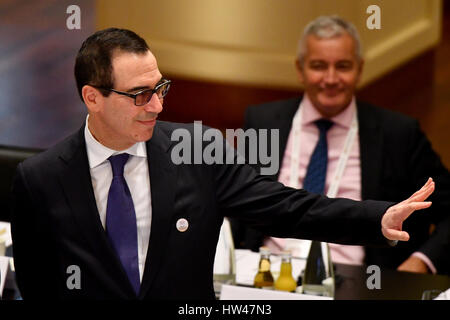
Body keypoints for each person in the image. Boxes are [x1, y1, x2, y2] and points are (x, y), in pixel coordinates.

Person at [10, 27, 435, 300]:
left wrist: (376, 218)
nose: (157, 105)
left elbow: (286, 207)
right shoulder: (41, 179)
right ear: (92, 98)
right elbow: (37, 286)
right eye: (140, 94)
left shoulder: (196, 149)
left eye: (161, 87)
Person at [230, 16, 450, 275]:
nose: (331, 78)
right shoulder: (262, 122)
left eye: (343, 66)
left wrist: (421, 262)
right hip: (268, 274)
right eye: (318, 66)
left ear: (359, 68)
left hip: (360, 279)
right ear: (300, 69)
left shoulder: (398, 134)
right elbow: (234, 201)